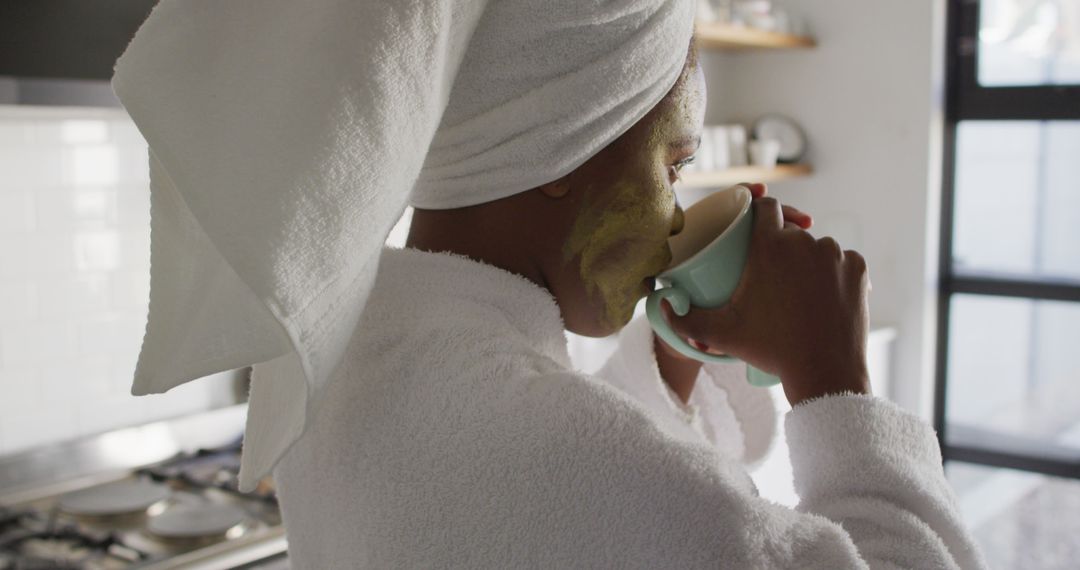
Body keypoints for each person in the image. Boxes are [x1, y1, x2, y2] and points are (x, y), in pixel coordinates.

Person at [111, 0, 987, 567]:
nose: (676, 207)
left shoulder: (344, 356)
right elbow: (593, 477)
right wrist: (835, 381)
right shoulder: (559, 452)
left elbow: (572, 488)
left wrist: (673, 369)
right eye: (674, 165)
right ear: (567, 153)